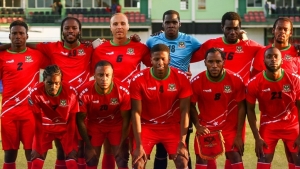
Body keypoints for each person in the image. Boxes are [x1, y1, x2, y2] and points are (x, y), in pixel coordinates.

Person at [191, 11, 263, 169]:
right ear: (222, 27)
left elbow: (271, 53)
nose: (232, 32)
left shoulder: (250, 46)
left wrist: (294, 53)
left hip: (236, 107)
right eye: (228, 28)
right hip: (211, 105)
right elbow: (187, 54)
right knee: (209, 153)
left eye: (235, 28)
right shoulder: (211, 44)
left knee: (234, 151)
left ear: (240, 29)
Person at [92, 12, 151, 169]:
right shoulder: (100, 50)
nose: (119, 27)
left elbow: (157, 67)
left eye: (123, 24)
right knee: (110, 149)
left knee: (136, 147)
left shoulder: (140, 48)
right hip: (111, 105)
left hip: (134, 104)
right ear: (110, 27)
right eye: (115, 24)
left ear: (128, 26)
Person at [146, 10, 202, 169]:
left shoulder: (190, 41)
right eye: (168, 22)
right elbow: (142, 55)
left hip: (182, 97)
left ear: (179, 24)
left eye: (174, 22)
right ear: (162, 24)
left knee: (184, 144)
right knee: (161, 148)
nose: (171, 25)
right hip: (160, 98)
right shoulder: (152, 40)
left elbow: (206, 51)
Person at [130, 44, 192, 169]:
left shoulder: (181, 77)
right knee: (138, 162)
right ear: (150, 60)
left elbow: (185, 111)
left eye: (163, 59)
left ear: (169, 59)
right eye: (156, 59)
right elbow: (136, 113)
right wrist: (139, 145)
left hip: (171, 126)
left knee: (182, 161)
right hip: (147, 126)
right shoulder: (138, 79)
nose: (160, 62)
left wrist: (182, 142)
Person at [251, 17, 300, 169]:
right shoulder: (262, 53)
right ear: (273, 30)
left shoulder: (297, 53)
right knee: (265, 158)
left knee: (294, 157)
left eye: (286, 29)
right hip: (269, 119)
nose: (282, 32)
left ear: (291, 32)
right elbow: (255, 82)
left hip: (292, 119)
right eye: (279, 28)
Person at [0, 20, 49, 169]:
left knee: (32, 152)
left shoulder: (37, 55)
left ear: (27, 36)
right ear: (9, 36)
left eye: (21, 33)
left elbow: (57, 61)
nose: (18, 36)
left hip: (30, 112)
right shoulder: (2, 57)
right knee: (9, 154)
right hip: (9, 112)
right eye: (14, 33)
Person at [190, 48, 245, 169]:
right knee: (202, 157)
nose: (214, 65)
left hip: (229, 128)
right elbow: (191, 105)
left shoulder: (235, 79)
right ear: (205, 62)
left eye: (218, 61)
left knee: (235, 156)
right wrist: (198, 126)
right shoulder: (196, 81)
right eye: (210, 62)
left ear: (224, 62)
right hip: (207, 128)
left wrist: (239, 135)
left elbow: (242, 107)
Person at [77, 60, 131, 169]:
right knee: (91, 159)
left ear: (112, 76)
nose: (104, 78)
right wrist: (88, 144)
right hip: (95, 126)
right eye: (100, 75)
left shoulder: (123, 91)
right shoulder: (84, 91)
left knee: (122, 159)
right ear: (94, 76)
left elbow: (126, 118)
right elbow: (80, 119)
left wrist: (122, 143)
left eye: (107, 75)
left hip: (116, 125)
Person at [29, 65, 79, 169]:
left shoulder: (71, 93)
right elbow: (37, 121)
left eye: (57, 83)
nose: (53, 86)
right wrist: (37, 146)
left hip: (65, 128)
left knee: (72, 161)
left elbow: (72, 120)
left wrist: (70, 146)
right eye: (49, 83)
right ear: (44, 81)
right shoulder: (35, 93)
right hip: (45, 128)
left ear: (61, 81)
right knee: (36, 161)